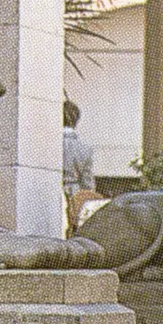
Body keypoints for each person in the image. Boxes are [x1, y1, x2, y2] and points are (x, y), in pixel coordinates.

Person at [62, 99, 101, 234]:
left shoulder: (49, 144)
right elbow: (88, 185)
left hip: (51, 193)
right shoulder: (86, 149)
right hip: (74, 195)